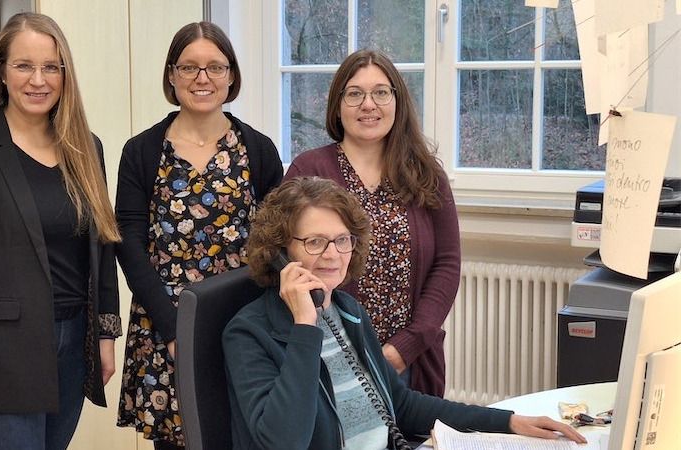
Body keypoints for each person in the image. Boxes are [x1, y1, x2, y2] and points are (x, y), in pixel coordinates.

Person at [223, 177, 585, 450]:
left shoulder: (346, 311)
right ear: (280, 251)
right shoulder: (249, 334)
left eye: (342, 239)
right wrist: (305, 327)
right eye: (315, 242)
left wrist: (508, 422)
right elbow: (284, 441)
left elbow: (401, 404)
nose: (332, 254)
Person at [0, 13, 121, 450]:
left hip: (74, 344)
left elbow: (101, 247)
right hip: (2, 349)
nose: (39, 80)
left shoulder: (86, 147)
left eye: (51, 67)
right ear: (1, 71)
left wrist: (105, 335)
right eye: (24, 66)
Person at [115, 21, 284, 450]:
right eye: (189, 67)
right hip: (164, 323)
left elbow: (277, 242)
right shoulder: (142, 151)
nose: (202, 78)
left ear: (232, 76)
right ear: (172, 76)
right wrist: (173, 329)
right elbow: (129, 243)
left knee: (244, 434)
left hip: (243, 324)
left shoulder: (259, 150)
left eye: (215, 67)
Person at [284, 50, 459, 397]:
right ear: (337, 104)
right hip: (329, 355)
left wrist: (404, 348)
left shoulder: (425, 174)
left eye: (381, 92)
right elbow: (284, 257)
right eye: (355, 93)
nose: (369, 104)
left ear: (397, 101)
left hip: (410, 361)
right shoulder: (309, 170)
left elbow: (447, 263)